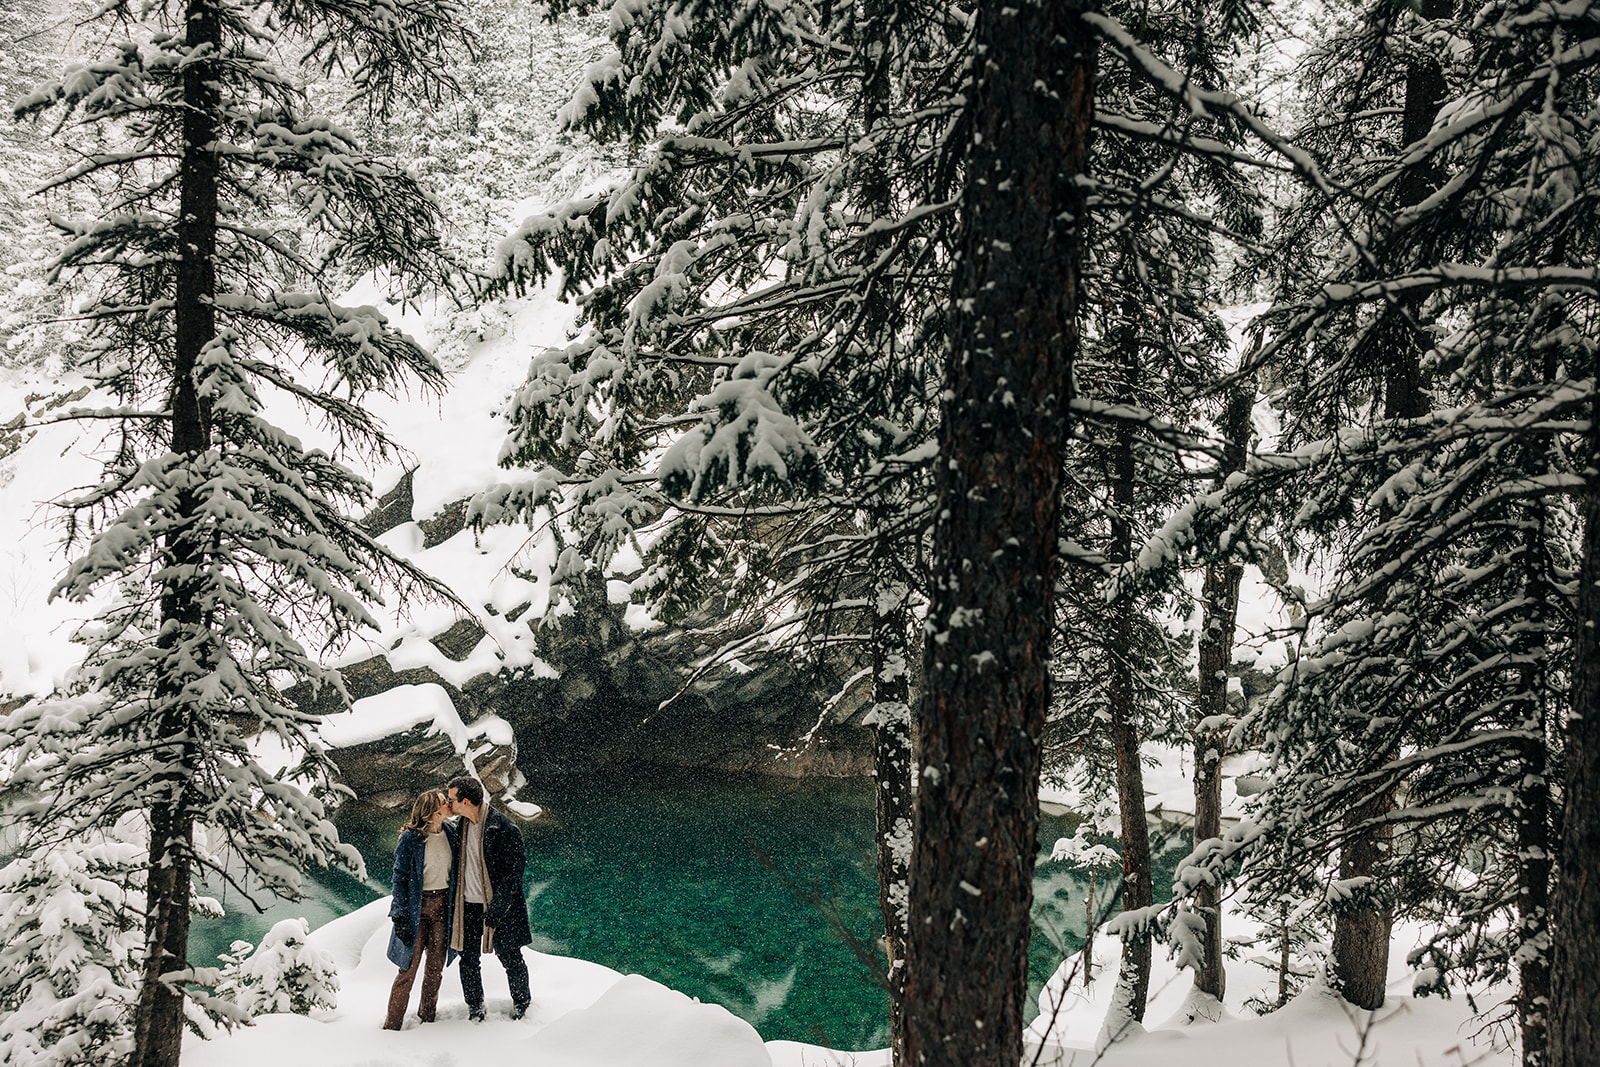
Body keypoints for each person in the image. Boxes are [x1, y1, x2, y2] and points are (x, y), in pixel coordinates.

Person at [446, 775, 532, 1022]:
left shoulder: (503, 827)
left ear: (465, 801)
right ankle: (475, 1006)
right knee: (468, 960)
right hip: (467, 906)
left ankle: (522, 1003)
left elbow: (514, 872)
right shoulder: (459, 827)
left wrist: (498, 908)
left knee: (510, 957)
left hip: (497, 907)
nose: (449, 804)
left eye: (452, 799)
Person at [384, 789, 459, 1029]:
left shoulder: (451, 833)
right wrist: (399, 916)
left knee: (435, 969)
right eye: (443, 802)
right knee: (407, 971)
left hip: (443, 911)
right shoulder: (410, 838)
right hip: (417, 911)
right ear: (433, 811)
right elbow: (399, 877)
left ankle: (427, 1019)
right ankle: (392, 1026)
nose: (448, 804)